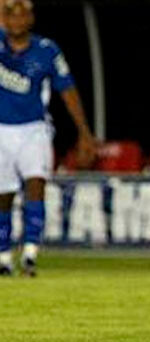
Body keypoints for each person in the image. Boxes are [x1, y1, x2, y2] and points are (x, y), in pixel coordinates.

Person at [0, 0, 96, 276]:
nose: (17, 19)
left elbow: (67, 89)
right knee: (3, 195)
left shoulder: (46, 50)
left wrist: (84, 133)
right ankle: (4, 255)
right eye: (10, 13)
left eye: (22, 14)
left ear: (31, 18)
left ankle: (30, 251)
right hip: (1, 128)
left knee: (36, 183)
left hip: (34, 128)